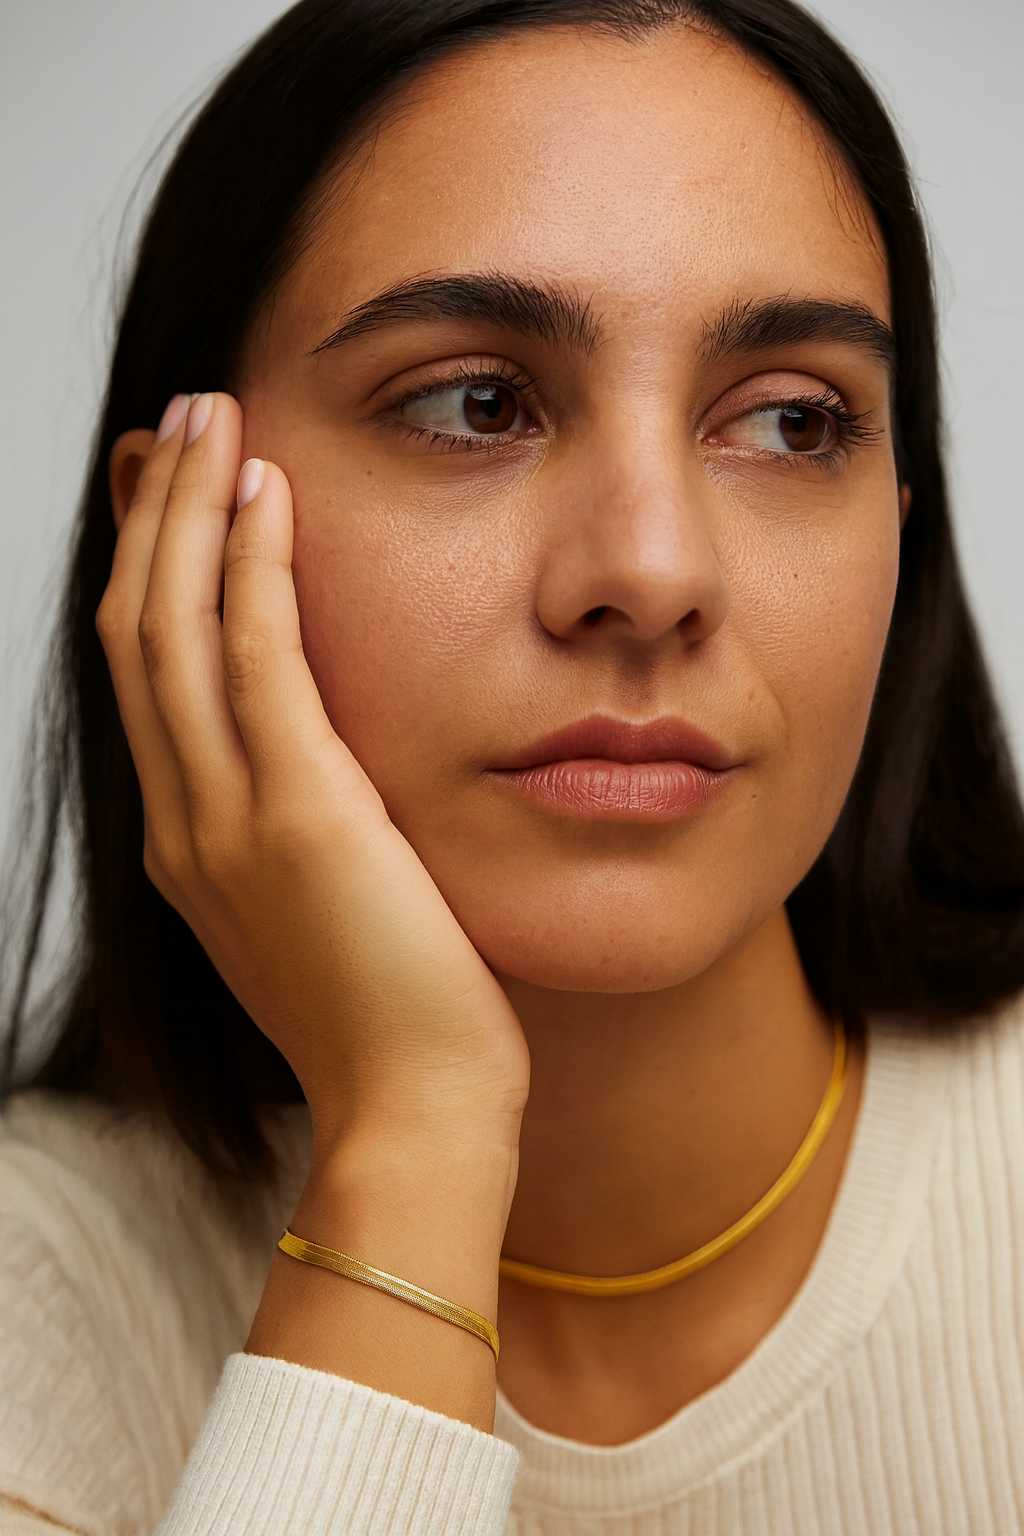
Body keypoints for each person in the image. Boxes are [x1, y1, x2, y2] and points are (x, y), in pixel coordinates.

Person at [2, 0, 1024, 1530]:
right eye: (478, 404)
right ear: (184, 535)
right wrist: (412, 1129)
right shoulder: (41, 1305)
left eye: (795, 422)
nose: (655, 571)